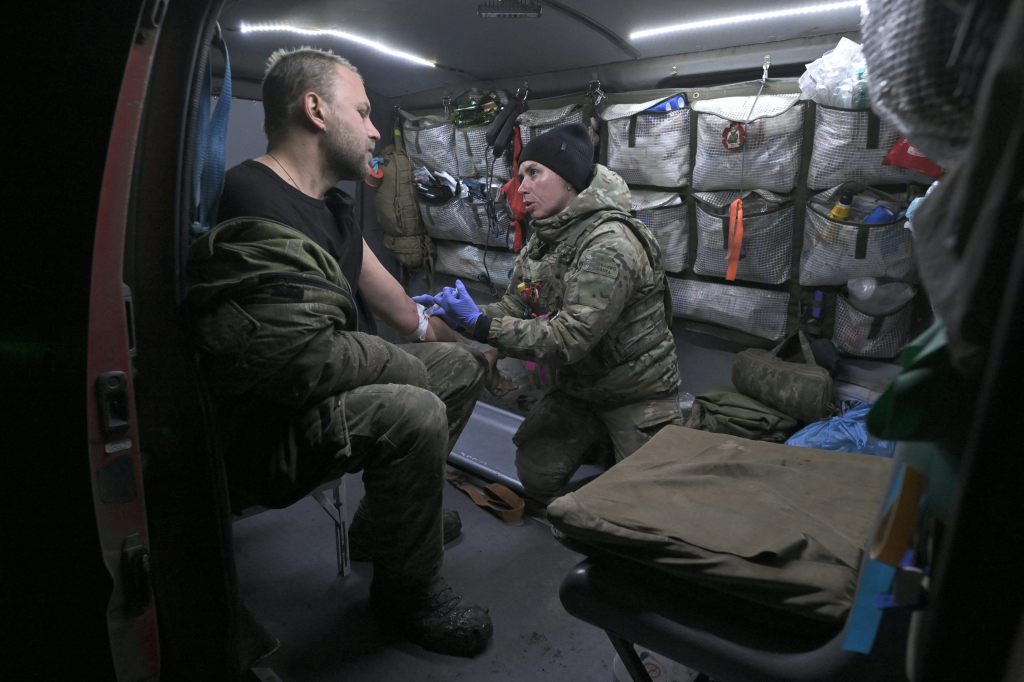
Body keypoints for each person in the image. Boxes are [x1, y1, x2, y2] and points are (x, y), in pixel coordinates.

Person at [186, 46, 492, 657]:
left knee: (457, 369)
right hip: (271, 429)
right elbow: (299, 363)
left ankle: (383, 527)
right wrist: (405, 366)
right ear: (317, 110)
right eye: (365, 111)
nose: (376, 129)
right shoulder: (248, 200)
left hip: (335, 393)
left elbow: (403, 313)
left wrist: (483, 348)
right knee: (415, 409)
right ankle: (407, 594)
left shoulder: (335, 208)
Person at [419, 123, 683, 501]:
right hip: (579, 390)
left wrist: (480, 326)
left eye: (533, 173)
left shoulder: (609, 244)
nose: (520, 187)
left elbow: (570, 339)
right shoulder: (547, 236)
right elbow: (517, 305)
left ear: (569, 181)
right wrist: (454, 315)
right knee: (537, 476)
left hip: (636, 393)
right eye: (519, 175)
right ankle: (603, 445)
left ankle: (637, 441)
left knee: (648, 505)